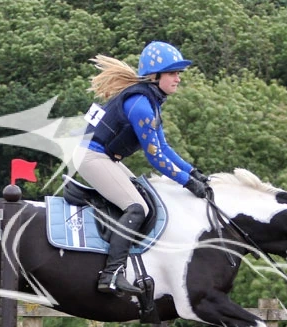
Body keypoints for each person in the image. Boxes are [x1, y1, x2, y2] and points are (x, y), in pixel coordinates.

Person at [73, 41, 210, 296]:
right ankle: (111, 273)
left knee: (142, 194)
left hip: (103, 157)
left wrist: (193, 172)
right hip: (91, 156)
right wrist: (187, 182)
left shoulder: (150, 101)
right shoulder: (141, 106)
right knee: (137, 207)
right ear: (155, 76)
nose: (178, 78)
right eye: (173, 73)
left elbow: (164, 147)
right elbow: (155, 157)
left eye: (178, 73)